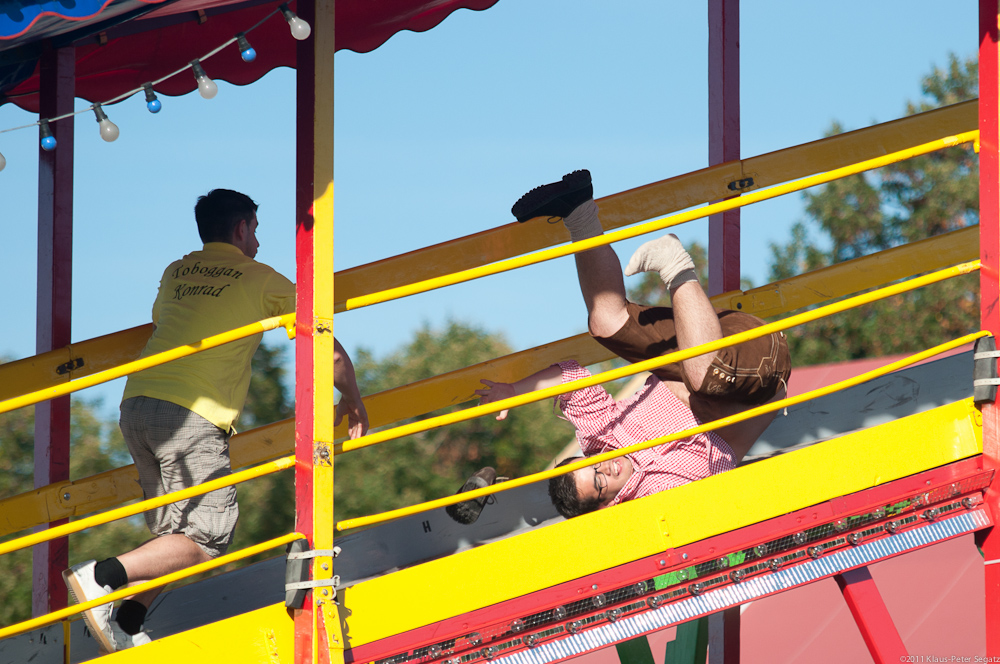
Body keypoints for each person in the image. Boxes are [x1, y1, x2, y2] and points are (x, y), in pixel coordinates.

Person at [61, 189, 368, 653]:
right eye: (257, 232)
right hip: (190, 414)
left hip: (137, 405)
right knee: (207, 538)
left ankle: (127, 618)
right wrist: (355, 400)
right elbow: (325, 342)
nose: (259, 244)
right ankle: (102, 576)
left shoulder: (177, 269)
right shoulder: (258, 276)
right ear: (242, 228)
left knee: (174, 537)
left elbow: (163, 319)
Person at [476, 170, 790, 519]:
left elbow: (571, 379)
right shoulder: (655, 494)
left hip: (708, 329)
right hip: (758, 366)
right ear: (608, 503)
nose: (606, 467)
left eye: (594, 464)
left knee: (604, 322)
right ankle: (675, 265)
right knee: (703, 377)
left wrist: (516, 390)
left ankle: (579, 212)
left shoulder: (605, 437)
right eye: (599, 483)